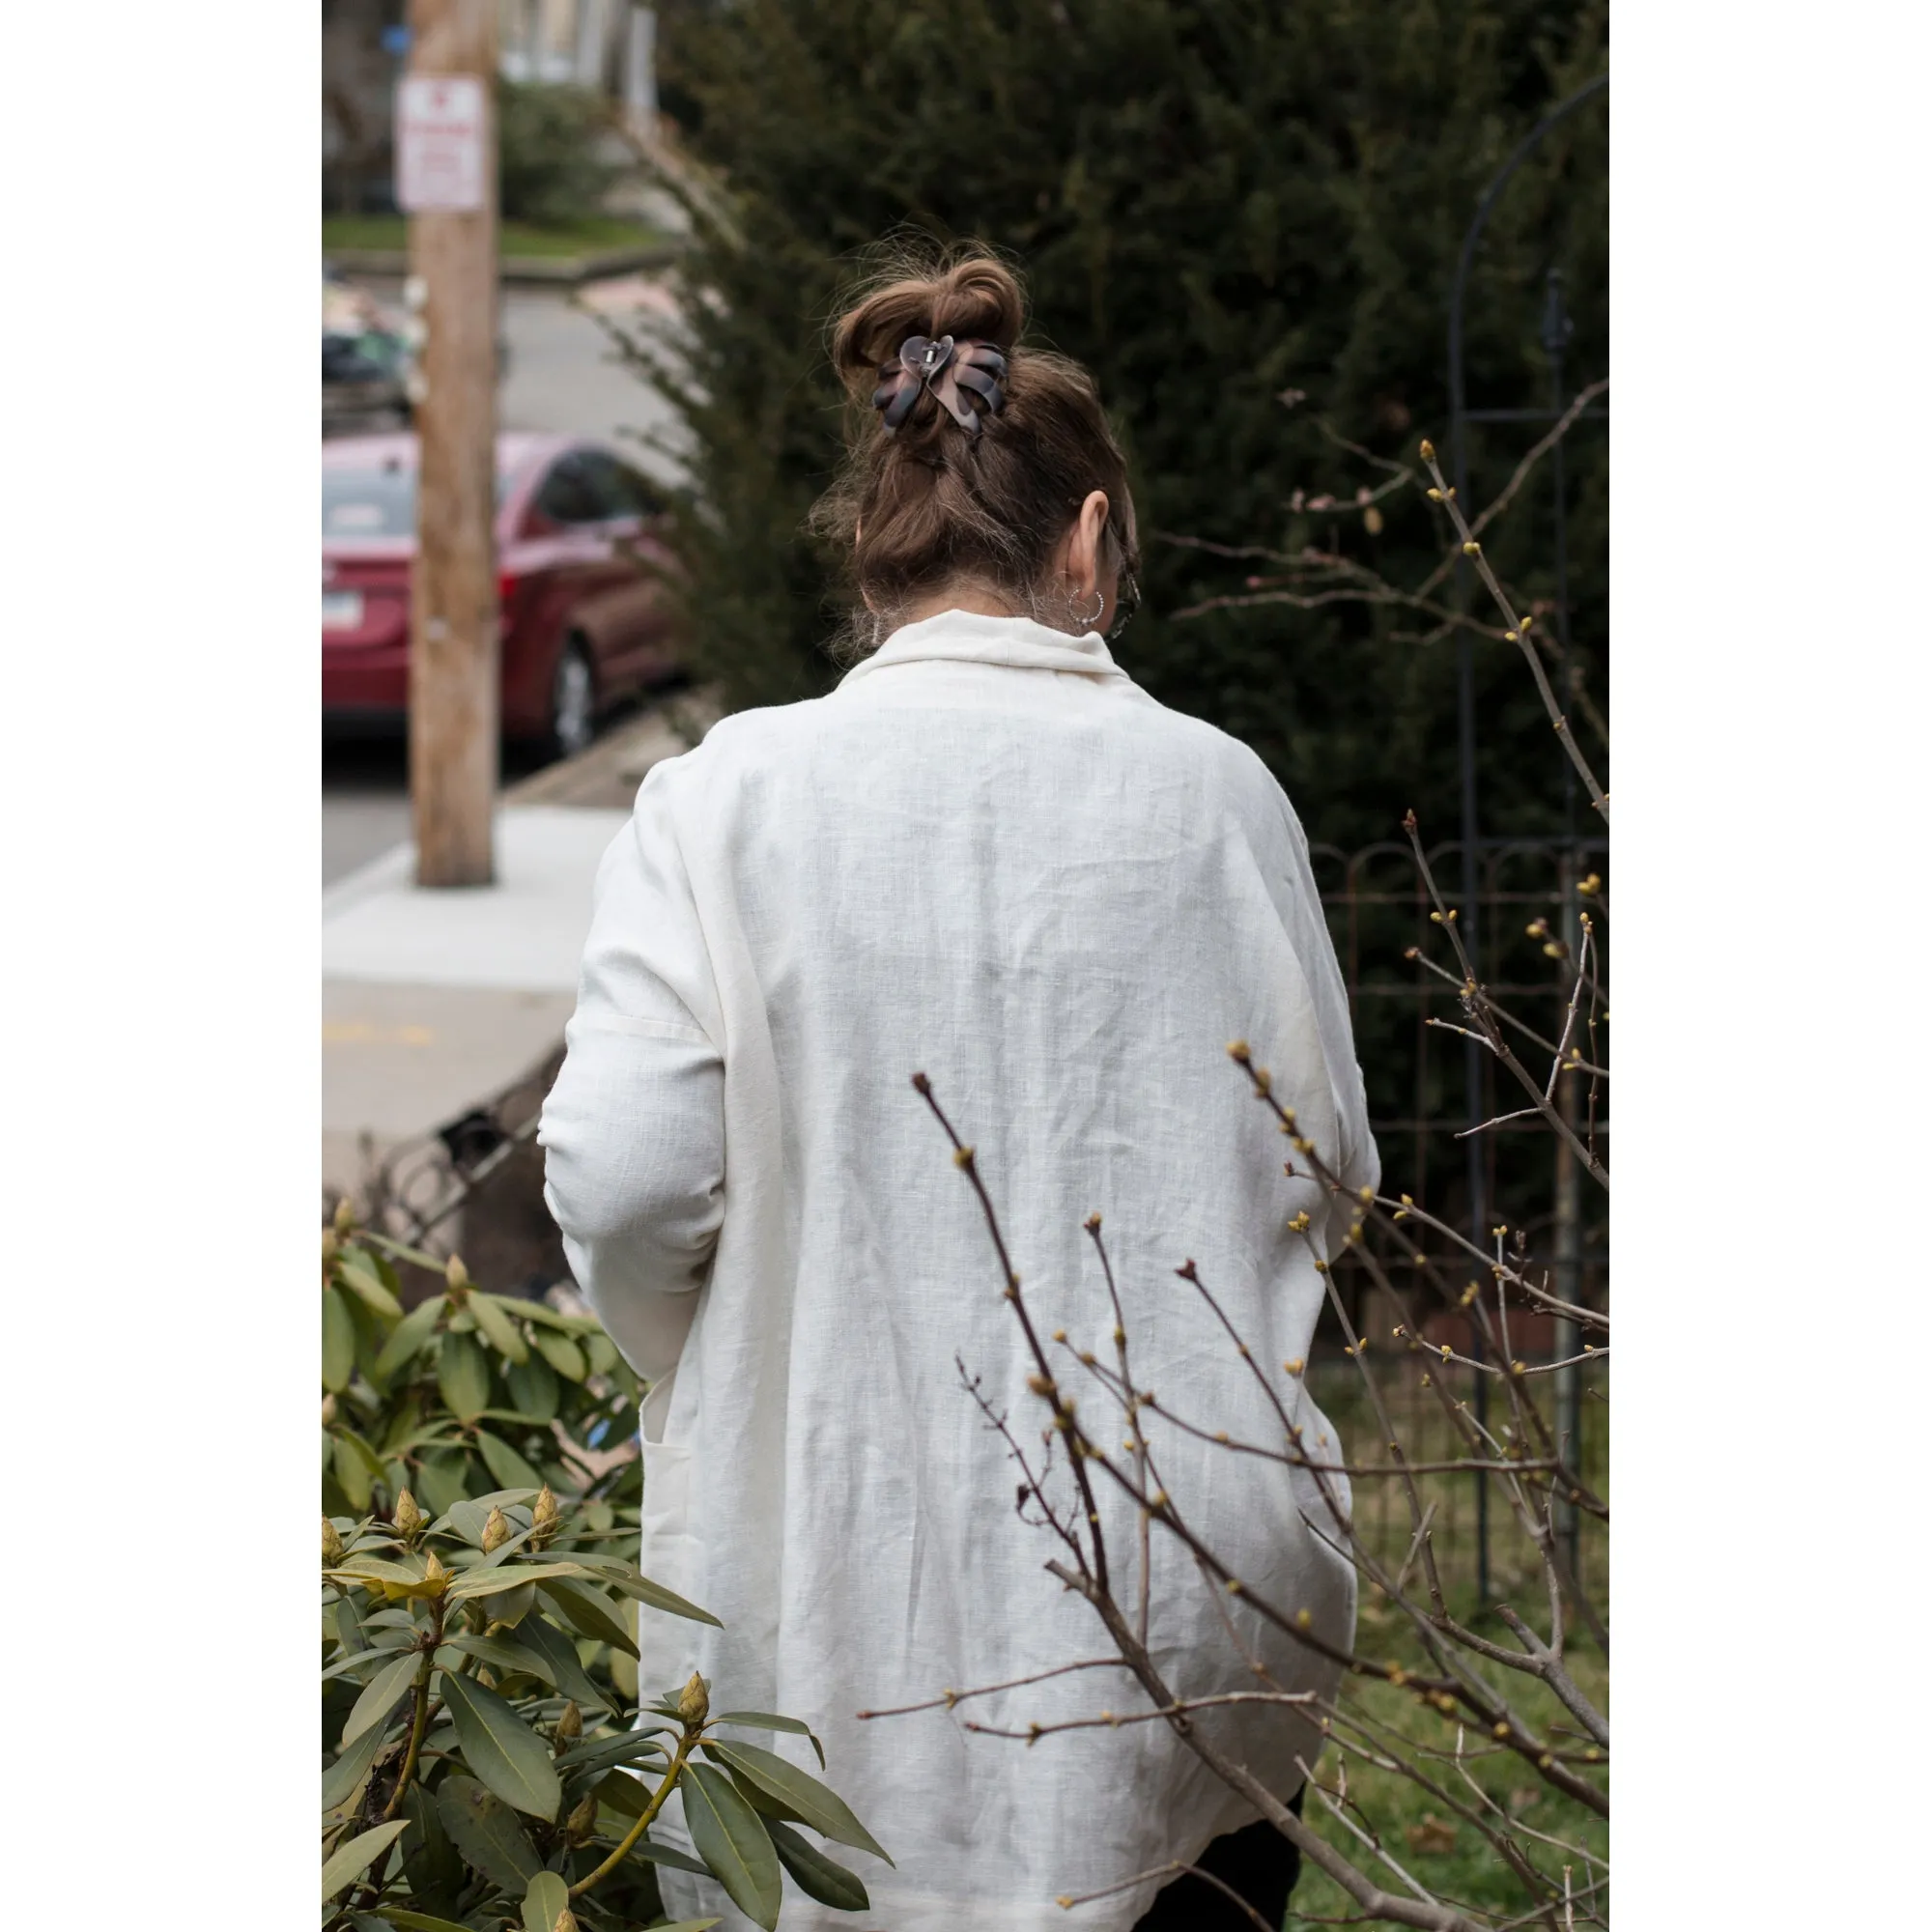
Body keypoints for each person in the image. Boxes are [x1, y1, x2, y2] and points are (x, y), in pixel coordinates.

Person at [540, 248, 1378, 1932]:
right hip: (1179, 1594)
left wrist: (719, 1356)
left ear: (874, 558)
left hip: (830, 1574)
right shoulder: (1221, 797)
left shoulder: (722, 804)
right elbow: (1324, 1167)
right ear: (1087, 543)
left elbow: (627, 1175)